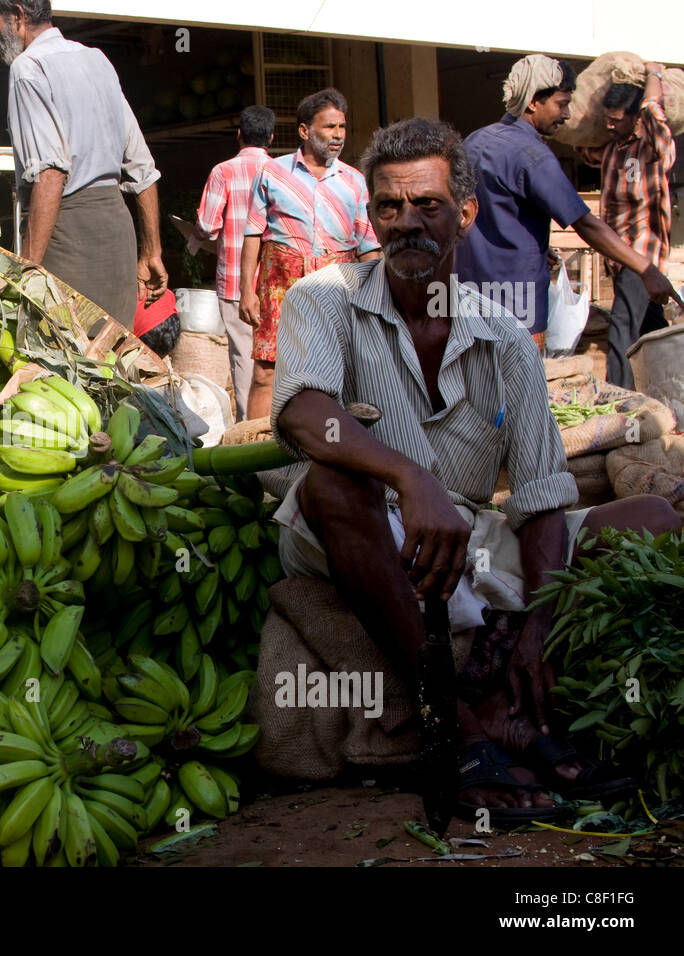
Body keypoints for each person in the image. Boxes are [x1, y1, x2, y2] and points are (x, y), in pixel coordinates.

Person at [269, 117, 680, 823]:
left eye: (427, 205)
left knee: (652, 515)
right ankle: (453, 726)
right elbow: (305, 411)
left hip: (465, 531)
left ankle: (515, 686)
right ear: (372, 216)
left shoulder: (505, 337)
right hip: (364, 518)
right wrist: (410, 477)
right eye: (390, 208)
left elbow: (543, 496)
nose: (407, 224)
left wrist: (538, 624)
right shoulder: (326, 297)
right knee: (334, 481)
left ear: (465, 213)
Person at [456, 54, 680, 350]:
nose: (565, 115)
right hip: (516, 303)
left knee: (475, 385)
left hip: (466, 296)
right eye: (561, 105)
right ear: (534, 102)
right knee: (520, 389)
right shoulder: (533, 155)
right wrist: (647, 269)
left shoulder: (474, 141)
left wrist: (538, 244)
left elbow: (486, 211)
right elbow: (586, 224)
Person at [0, 0, 167, 331]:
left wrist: (26, 272)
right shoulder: (96, 60)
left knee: (67, 362)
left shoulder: (27, 68)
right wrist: (152, 251)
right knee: (111, 363)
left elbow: (51, 173)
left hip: (69, 234)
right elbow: (142, 166)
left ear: (17, 15)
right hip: (117, 232)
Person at [239, 88, 381, 422]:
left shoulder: (355, 181)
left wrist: (378, 292)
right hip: (280, 284)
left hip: (338, 285)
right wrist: (247, 289)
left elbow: (367, 243)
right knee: (266, 371)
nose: (338, 136)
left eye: (342, 128)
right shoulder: (272, 173)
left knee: (341, 369)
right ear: (304, 131)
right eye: (329, 127)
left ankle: (336, 447)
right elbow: (253, 233)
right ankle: (254, 453)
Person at [594, 66, 681, 387]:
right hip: (619, 259)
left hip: (641, 255)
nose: (609, 124)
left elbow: (653, 114)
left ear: (635, 118)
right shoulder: (611, 150)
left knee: (621, 323)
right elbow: (577, 139)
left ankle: (616, 398)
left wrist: (654, 76)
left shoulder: (653, 148)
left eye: (616, 118)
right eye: (607, 117)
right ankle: (662, 389)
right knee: (652, 328)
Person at [191, 105, 276, 422]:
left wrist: (198, 235)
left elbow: (207, 225)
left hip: (235, 283)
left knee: (243, 357)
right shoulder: (281, 172)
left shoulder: (222, 172)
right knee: (274, 356)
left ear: (239, 135)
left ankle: (248, 429)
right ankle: (277, 427)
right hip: (274, 283)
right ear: (270, 136)